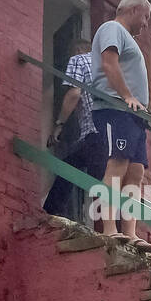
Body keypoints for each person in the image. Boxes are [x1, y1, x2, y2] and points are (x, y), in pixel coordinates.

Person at [89, 0, 151, 250]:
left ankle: (131, 232)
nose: (146, 24)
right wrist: (127, 96)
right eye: (146, 17)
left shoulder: (129, 39)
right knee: (117, 164)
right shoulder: (112, 28)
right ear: (134, 9)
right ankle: (109, 229)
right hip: (115, 108)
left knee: (136, 173)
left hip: (134, 116)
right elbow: (108, 62)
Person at [42, 38, 106, 221]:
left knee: (69, 167)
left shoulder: (79, 60)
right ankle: (114, 230)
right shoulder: (110, 66)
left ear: (79, 49)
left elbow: (74, 93)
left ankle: (51, 212)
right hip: (116, 132)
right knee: (106, 181)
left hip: (95, 130)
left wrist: (59, 124)